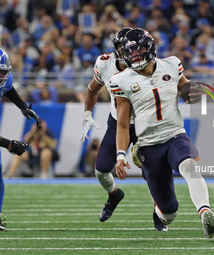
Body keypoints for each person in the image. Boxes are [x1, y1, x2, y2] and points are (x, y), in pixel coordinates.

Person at [113, 28, 214, 238]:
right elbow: (123, 124)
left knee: (189, 165)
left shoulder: (171, 64)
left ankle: (205, 210)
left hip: (174, 134)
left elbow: (183, 86)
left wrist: (190, 92)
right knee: (169, 213)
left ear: (150, 47)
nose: (134, 55)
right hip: (149, 144)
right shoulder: (121, 80)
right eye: (129, 51)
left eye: (138, 49)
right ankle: (158, 209)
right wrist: (121, 155)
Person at [80, 27, 168, 231]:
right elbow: (93, 88)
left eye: (133, 47)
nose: (129, 52)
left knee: (152, 173)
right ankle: (114, 195)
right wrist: (87, 112)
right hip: (118, 122)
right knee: (101, 170)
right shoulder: (105, 63)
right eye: (122, 47)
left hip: (144, 123)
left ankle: (159, 212)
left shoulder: (147, 64)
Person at [0, 48, 41, 231]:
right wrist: (8, 144)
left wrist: (23, 106)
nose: (2, 75)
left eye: (3, 71)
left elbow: (7, 88)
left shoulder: (5, 79)